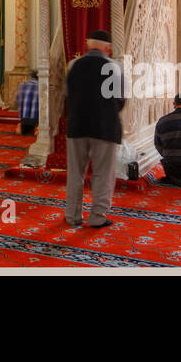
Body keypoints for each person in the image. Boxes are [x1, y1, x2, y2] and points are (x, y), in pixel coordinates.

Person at [64, 29, 123, 229]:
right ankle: (97, 216)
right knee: (103, 174)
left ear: (89, 45)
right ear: (108, 48)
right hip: (104, 127)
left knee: (75, 173)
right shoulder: (114, 66)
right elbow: (120, 100)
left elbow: (66, 95)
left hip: (77, 125)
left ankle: (72, 215)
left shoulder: (73, 65)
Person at [15, 70, 39, 135]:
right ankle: (36, 129)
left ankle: (21, 127)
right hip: (36, 120)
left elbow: (17, 100)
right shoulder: (40, 86)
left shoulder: (22, 84)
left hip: (24, 119)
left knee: (23, 130)